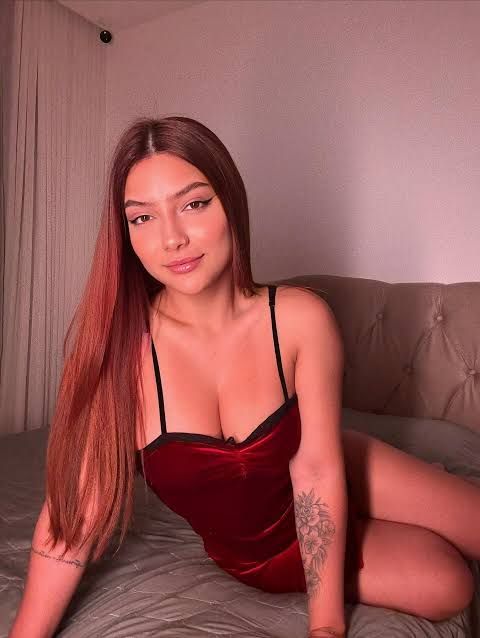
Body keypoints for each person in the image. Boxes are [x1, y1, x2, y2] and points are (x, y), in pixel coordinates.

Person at [9, 116, 479, 638]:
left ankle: (422, 486)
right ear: (126, 235)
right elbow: (71, 520)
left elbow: (316, 468)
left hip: (331, 463)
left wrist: (325, 628)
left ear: (230, 203)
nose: (172, 238)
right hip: (260, 554)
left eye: (194, 204)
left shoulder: (300, 318)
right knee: (449, 584)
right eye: (142, 218)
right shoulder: (120, 355)